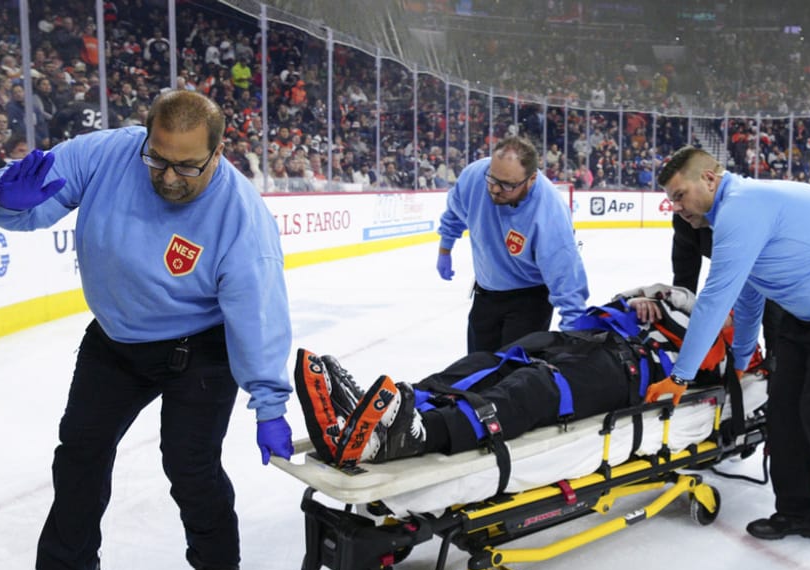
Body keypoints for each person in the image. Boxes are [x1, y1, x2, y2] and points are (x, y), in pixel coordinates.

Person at [0, 90, 294, 570]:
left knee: (188, 462)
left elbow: (258, 314)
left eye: (187, 166)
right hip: (116, 340)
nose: (169, 177)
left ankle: (217, 565)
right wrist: (4, 197)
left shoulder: (240, 215)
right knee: (79, 452)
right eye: (158, 159)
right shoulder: (106, 154)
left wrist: (270, 402)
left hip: (200, 348)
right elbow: (20, 209)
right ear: (145, 137)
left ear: (218, 153)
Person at [646, 146, 810, 556]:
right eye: (671, 200)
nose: (675, 208)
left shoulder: (740, 209)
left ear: (709, 180)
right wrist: (744, 358)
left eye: (680, 196)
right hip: (808, 312)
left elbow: (714, 300)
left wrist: (681, 376)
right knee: (783, 412)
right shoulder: (734, 215)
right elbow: (749, 296)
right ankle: (799, 511)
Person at [294, 283, 758, 467]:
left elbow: (733, 369)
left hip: (630, 371)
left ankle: (415, 435)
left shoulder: (738, 343)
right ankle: (399, 404)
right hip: (590, 340)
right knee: (489, 363)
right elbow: (629, 295)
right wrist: (642, 301)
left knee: (536, 388)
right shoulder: (684, 300)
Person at [435, 135, 589, 353]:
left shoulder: (549, 212)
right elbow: (454, 212)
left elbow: (566, 278)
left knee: (514, 377)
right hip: (486, 294)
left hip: (529, 300)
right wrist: (445, 248)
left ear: (531, 179)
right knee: (477, 371)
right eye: (493, 179)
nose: (496, 189)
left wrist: (573, 336)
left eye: (507, 185)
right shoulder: (474, 176)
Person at [668, 212, 783, 367]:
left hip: (772, 262)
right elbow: (684, 278)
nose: (677, 206)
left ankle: (778, 359)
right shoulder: (684, 220)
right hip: (731, 257)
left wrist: (775, 356)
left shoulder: (740, 215)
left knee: (771, 310)